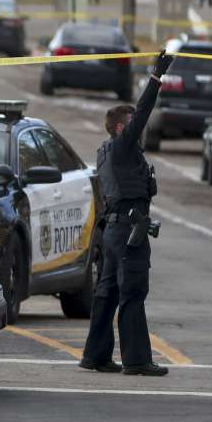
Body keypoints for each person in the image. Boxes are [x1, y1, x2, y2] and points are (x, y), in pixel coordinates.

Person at [80, 50, 173, 377]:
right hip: (128, 232)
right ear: (121, 127)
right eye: (132, 124)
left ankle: (95, 356)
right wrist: (156, 78)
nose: (139, 128)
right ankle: (137, 361)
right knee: (133, 293)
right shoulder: (121, 146)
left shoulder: (107, 151)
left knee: (107, 294)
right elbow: (144, 111)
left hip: (114, 231)